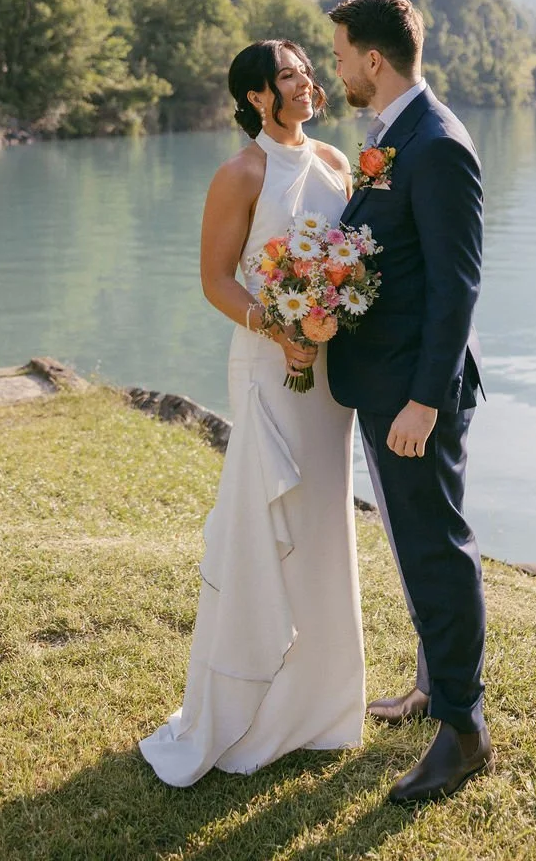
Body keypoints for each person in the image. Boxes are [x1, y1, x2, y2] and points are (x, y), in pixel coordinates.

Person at [139, 40, 365, 786]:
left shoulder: (335, 161)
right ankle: (247, 706)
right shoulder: (240, 173)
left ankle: (322, 707)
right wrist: (279, 327)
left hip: (329, 375)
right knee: (273, 521)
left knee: (325, 522)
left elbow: (354, 258)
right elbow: (214, 279)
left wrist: (328, 316)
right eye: (292, 74)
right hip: (270, 367)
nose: (308, 81)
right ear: (260, 96)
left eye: (307, 69)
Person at [327, 0, 493, 804]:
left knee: (436, 549)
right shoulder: (393, 138)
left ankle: (463, 731)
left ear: (374, 61)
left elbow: (457, 288)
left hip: (413, 399)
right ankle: (433, 686)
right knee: (414, 547)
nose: (336, 67)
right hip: (384, 384)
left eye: (341, 53)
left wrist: (426, 400)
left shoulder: (436, 145)